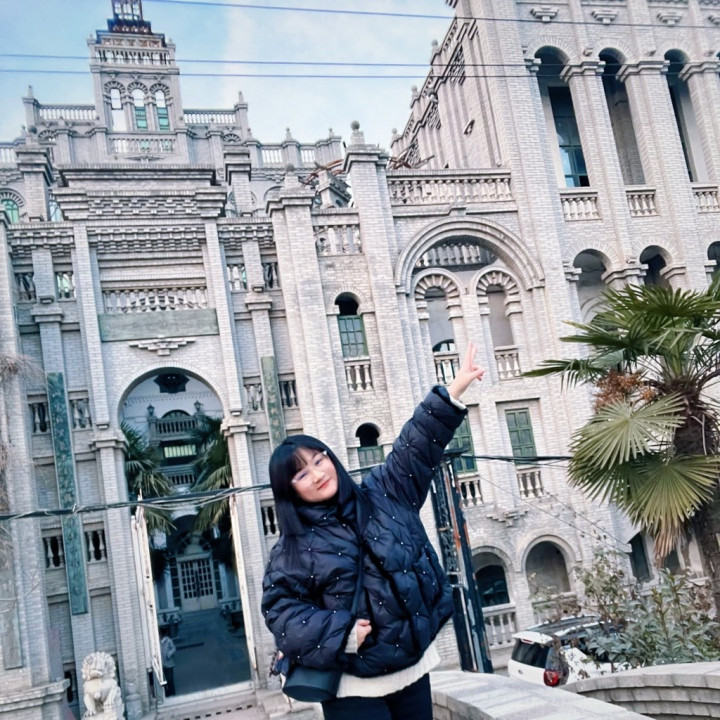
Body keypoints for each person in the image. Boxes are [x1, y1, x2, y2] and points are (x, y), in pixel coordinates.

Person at [262, 343, 484, 720]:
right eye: (301, 474)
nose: (316, 474)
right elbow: (281, 613)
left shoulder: (385, 492)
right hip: (353, 690)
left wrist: (453, 392)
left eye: (319, 460)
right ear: (290, 490)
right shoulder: (291, 550)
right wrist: (342, 632)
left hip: (412, 672)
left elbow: (414, 447)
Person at [160, 627, 176, 697]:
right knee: (165, 679)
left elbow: (173, 648)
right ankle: (167, 693)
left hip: (169, 663)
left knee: (170, 679)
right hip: (162, 663)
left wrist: (169, 654)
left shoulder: (168, 641)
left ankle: (172, 692)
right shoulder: (158, 642)